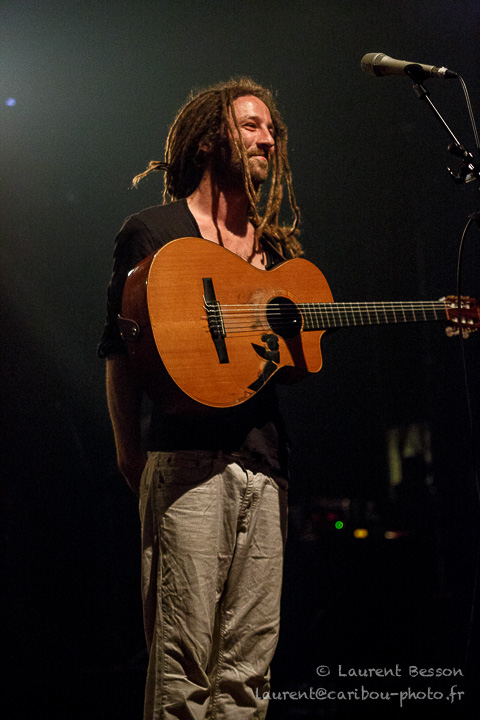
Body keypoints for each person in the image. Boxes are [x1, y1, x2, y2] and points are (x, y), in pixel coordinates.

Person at [99, 77, 303, 720]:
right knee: (181, 671)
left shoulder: (275, 252)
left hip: (264, 469)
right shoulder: (152, 232)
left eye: (271, 129)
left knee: (248, 676)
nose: (267, 139)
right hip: (184, 463)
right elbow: (119, 352)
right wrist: (129, 454)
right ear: (210, 137)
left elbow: (284, 367)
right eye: (250, 126)